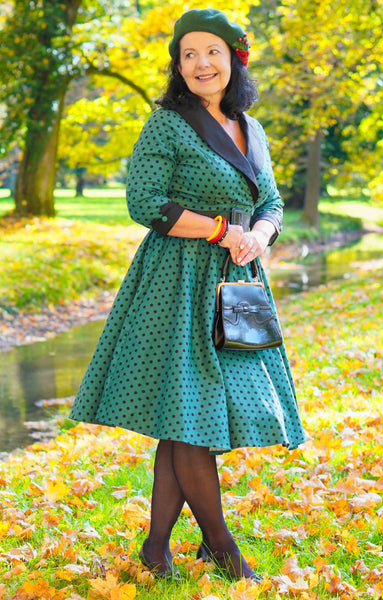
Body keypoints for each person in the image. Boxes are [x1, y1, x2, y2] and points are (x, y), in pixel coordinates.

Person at [69, 8, 306, 583]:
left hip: (236, 283)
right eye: (189, 54)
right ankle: (221, 548)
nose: (201, 63)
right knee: (189, 414)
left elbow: (272, 202)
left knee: (190, 417)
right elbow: (145, 203)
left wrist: (260, 236)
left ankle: (156, 549)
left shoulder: (253, 128)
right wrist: (225, 231)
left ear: (234, 58)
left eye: (212, 52)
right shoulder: (167, 124)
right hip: (175, 282)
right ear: (178, 65)